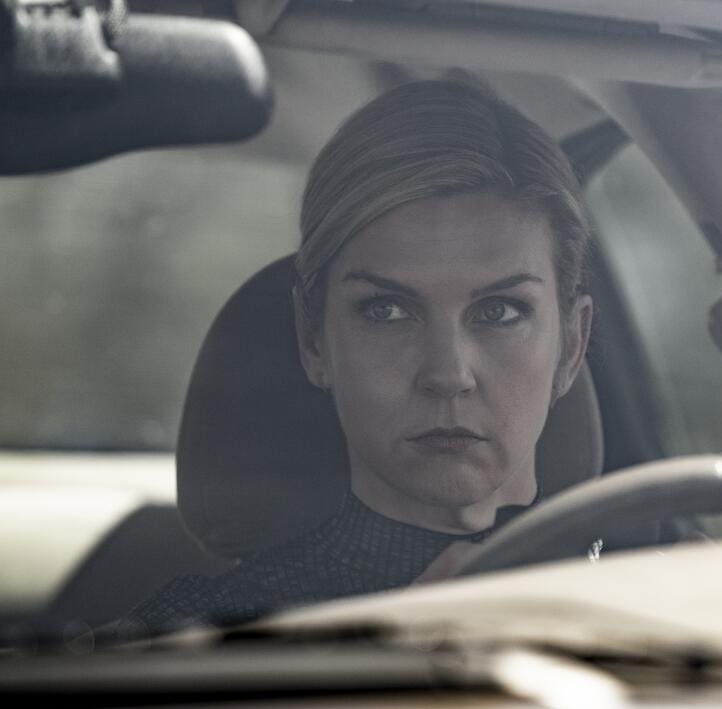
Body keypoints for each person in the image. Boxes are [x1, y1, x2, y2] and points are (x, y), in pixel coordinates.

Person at [124, 79, 593, 634]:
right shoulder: (198, 640)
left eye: (499, 313)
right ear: (314, 341)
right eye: (387, 311)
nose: (447, 374)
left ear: (571, 345)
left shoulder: (674, 589)